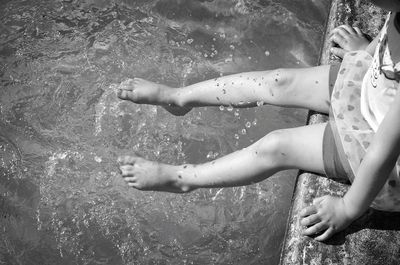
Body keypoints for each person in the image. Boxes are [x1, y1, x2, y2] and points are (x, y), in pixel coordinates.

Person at [117, 0, 400, 241]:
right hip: (373, 92)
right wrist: (369, 51)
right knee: (278, 81)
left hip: (378, 152)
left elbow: (381, 153)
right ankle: (178, 98)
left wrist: (348, 208)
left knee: (275, 146)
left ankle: (182, 178)